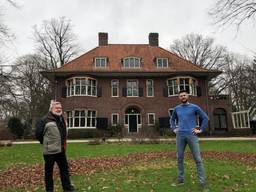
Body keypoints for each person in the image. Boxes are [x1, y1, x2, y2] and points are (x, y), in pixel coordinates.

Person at [170, 90, 209, 190]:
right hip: (180, 136)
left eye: (184, 95)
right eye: (181, 96)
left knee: (198, 159)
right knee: (179, 158)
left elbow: (205, 118)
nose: (183, 97)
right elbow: (172, 119)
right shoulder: (177, 108)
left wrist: (200, 129)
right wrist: (174, 128)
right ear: (179, 97)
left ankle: (202, 182)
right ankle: (180, 179)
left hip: (192, 135)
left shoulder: (194, 107)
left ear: (187, 96)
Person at [42, 101, 75, 192]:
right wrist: (47, 143)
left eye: (60, 107)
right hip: (50, 151)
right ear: (51, 109)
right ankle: (49, 190)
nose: (59, 109)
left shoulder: (62, 119)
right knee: (49, 173)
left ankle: (67, 189)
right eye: (57, 108)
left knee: (65, 170)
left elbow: (64, 133)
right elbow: (39, 134)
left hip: (61, 150)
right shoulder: (45, 119)